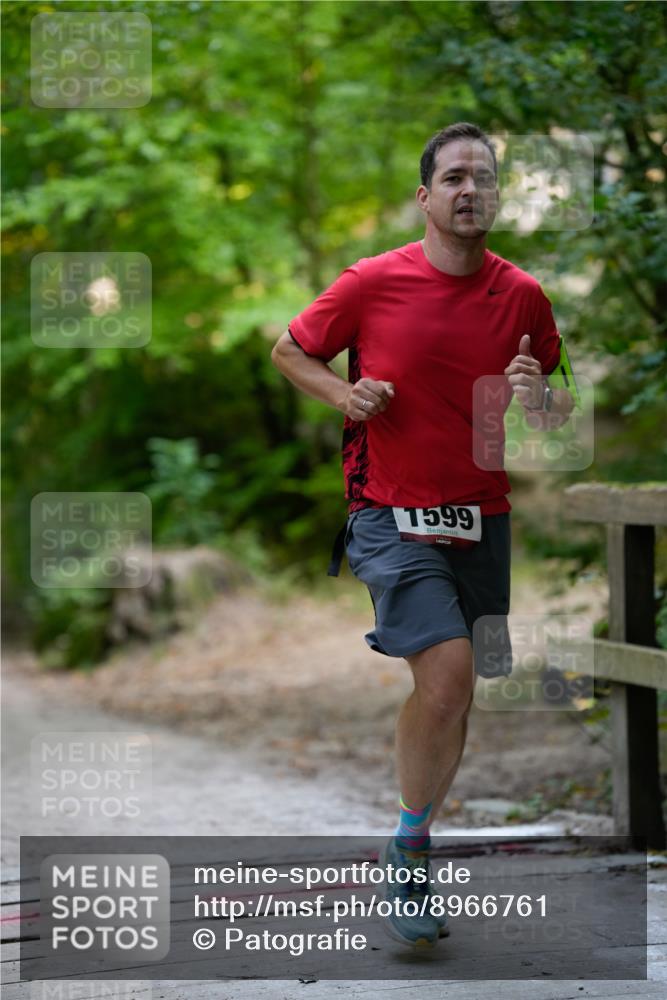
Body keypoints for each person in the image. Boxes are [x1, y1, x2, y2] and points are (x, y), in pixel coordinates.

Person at [271, 122, 576, 948]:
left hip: (482, 515)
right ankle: (407, 853)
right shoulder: (370, 283)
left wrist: (536, 395)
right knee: (445, 677)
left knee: (459, 689)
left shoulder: (524, 296)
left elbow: (559, 406)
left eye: (482, 177)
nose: (469, 189)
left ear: (496, 195)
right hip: (387, 510)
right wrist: (344, 397)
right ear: (426, 196)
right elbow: (288, 350)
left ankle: (411, 832)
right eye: (453, 177)